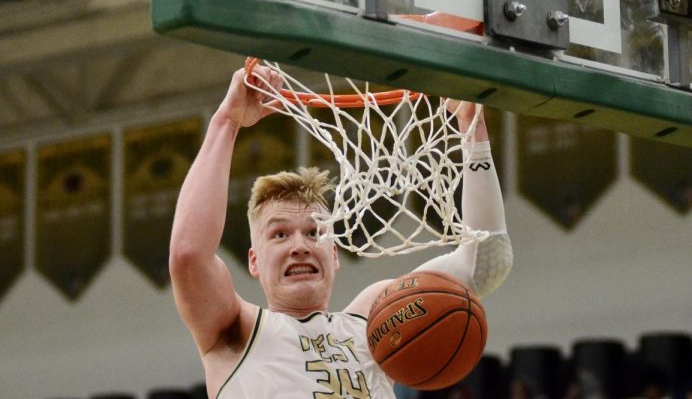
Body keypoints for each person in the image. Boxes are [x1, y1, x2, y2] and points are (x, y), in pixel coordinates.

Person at [169, 63, 513, 398]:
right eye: (279, 234)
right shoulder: (236, 332)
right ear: (254, 261)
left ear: (334, 254)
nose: (300, 245)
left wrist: (474, 134)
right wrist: (226, 122)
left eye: (315, 232)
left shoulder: (373, 321)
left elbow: (486, 261)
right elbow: (188, 255)